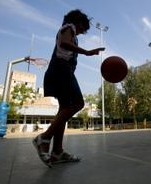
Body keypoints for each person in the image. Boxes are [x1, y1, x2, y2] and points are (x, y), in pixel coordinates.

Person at [32, 9, 105, 166]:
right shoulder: (69, 27)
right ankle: (44, 138)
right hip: (61, 70)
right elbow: (65, 43)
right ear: (77, 22)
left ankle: (57, 152)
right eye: (82, 29)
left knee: (64, 109)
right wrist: (86, 52)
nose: (80, 32)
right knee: (78, 103)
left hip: (59, 71)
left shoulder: (69, 30)